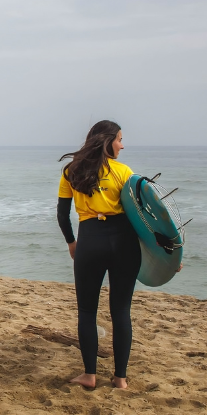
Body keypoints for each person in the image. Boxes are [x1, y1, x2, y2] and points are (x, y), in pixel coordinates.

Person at [56, 120, 139, 389]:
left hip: (90, 241)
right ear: (107, 141)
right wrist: (165, 254)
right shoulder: (124, 172)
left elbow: (62, 212)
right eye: (119, 140)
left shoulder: (72, 170)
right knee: (121, 311)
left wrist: (71, 242)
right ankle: (120, 379)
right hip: (124, 243)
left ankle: (90, 376)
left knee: (87, 311)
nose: (122, 145)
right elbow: (144, 218)